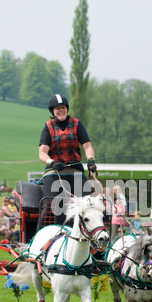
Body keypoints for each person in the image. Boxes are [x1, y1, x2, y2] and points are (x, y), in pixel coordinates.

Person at [37, 94, 97, 229]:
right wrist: (52, 162)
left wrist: (91, 160)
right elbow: (42, 153)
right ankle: (37, 240)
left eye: (63, 107)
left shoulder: (76, 124)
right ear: (52, 111)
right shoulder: (48, 127)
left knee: (88, 204)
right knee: (51, 205)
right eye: (57, 108)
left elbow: (87, 146)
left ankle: (95, 241)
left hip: (75, 172)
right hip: (54, 172)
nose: (61, 110)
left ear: (67, 108)